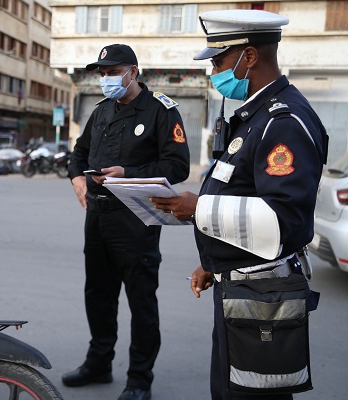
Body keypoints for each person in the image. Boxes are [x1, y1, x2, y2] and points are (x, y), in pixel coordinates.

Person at [150, 10, 328, 400]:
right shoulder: (255, 116)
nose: (213, 72)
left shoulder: (282, 121)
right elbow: (244, 196)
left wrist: (198, 209)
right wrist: (216, 262)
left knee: (250, 395)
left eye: (218, 61)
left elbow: (284, 220)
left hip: (262, 294)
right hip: (241, 283)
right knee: (231, 389)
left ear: (248, 57)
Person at [64, 44, 191, 400]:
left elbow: (177, 166)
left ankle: (139, 380)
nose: (106, 79)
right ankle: (99, 363)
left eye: (113, 72)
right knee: (98, 295)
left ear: (133, 72)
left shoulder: (161, 111)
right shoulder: (101, 111)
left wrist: (128, 173)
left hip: (136, 218)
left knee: (141, 301)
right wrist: (76, 178)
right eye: (102, 73)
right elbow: (78, 154)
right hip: (98, 216)